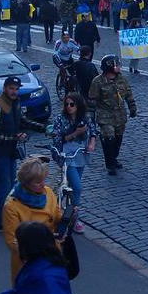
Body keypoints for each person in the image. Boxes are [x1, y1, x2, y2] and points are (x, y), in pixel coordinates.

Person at [0, 75, 50, 231]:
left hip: (9, 151)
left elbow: (22, 120)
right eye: (11, 88)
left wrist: (43, 128)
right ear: (5, 88)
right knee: (4, 185)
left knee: (9, 183)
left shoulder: (15, 102)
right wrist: (15, 137)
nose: (14, 91)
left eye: (16, 89)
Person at [2, 158, 62, 282]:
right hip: (29, 263)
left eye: (44, 180)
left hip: (53, 256)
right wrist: (39, 251)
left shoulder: (48, 192)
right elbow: (12, 242)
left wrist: (68, 220)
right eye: (38, 182)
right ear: (26, 183)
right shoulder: (12, 207)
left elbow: (56, 217)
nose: (43, 185)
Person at [50, 93, 98, 234]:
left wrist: (92, 143)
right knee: (77, 187)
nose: (69, 107)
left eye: (72, 104)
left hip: (80, 154)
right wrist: (76, 133)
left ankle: (61, 209)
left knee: (71, 186)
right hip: (67, 156)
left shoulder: (85, 117)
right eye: (67, 104)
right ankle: (75, 218)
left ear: (78, 105)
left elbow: (93, 130)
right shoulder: (60, 119)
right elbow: (58, 138)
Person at [88, 54, 137, 176]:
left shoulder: (122, 80)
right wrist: (89, 116)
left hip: (120, 115)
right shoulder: (97, 81)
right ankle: (109, 164)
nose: (119, 66)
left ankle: (114, 158)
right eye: (117, 64)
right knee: (109, 138)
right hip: (105, 115)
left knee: (118, 138)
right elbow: (92, 100)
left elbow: (128, 95)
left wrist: (132, 108)